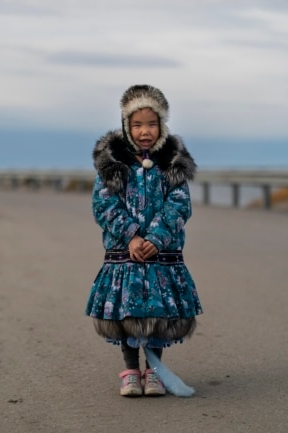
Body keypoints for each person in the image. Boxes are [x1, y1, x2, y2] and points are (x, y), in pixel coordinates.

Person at [85, 84, 203, 397]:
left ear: (162, 125)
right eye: (137, 125)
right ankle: (131, 371)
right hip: (125, 253)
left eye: (151, 124)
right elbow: (103, 203)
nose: (145, 131)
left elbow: (180, 203)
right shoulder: (113, 163)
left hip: (160, 253)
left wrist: (156, 237)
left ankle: (154, 372)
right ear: (126, 126)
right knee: (127, 310)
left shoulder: (172, 162)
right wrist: (131, 236)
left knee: (157, 310)